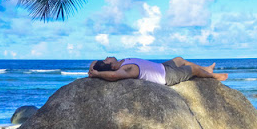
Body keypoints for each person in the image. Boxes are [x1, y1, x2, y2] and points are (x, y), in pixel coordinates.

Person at [88, 56, 228, 86]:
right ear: (111, 66)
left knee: (179, 59)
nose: (107, 57)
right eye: (106, 60)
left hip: (161, 67)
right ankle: (214, 76)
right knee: (194, 69)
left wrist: (92, 70)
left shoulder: (122, 62)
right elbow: (113, 76)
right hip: (166, 76)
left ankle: (207, 69)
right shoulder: (125, 69)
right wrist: (98, 74)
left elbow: (94, 63)